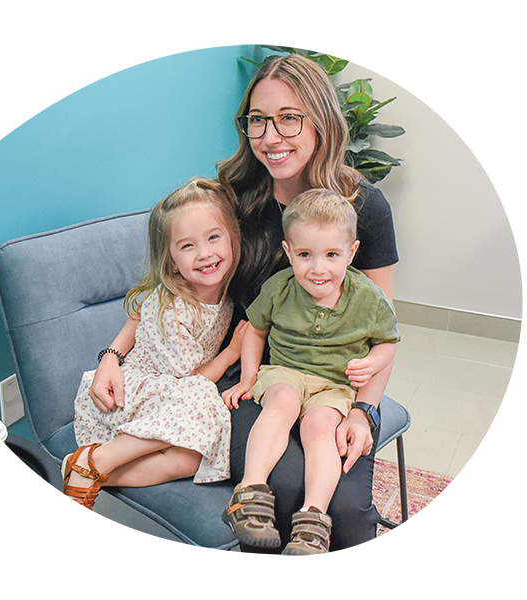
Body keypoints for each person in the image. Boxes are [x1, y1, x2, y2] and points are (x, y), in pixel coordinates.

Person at [215, 53, 399, 555]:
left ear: (321, 121)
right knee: (283, 488)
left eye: (289, 118)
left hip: (338, 383)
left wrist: (363, 413)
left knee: (342, 504)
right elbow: (180, 279)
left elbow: (381, 330)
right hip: (262, 379)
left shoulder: (364, 207)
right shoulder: (236, 196)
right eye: (258, 119)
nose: (271, 136)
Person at [63, 179, 247, 510]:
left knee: (193, 461)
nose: (205, 254)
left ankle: (85, 468)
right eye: (187, 246)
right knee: (204, 403)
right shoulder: (175, 308)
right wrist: (232, 352)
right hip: (140, 395)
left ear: (232, 238)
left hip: (171, 392)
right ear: (172, 261)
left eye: (213, 238)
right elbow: (192, 382)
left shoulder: (223, 290)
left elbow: (136, 317)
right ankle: (102, 458)